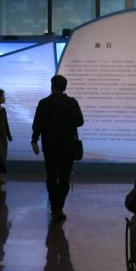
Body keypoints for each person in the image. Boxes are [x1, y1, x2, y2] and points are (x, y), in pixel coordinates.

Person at [31, 74, 84, 221]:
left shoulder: (44, 103)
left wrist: (34, 140)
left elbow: (37, 124)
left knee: (52, 176)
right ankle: (59, 207)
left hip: (49, 146)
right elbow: (80, 121)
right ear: (65, 87)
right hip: (67, 146)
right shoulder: (72, 103)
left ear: (52, 86)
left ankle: (54, 206)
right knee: (65, 178)